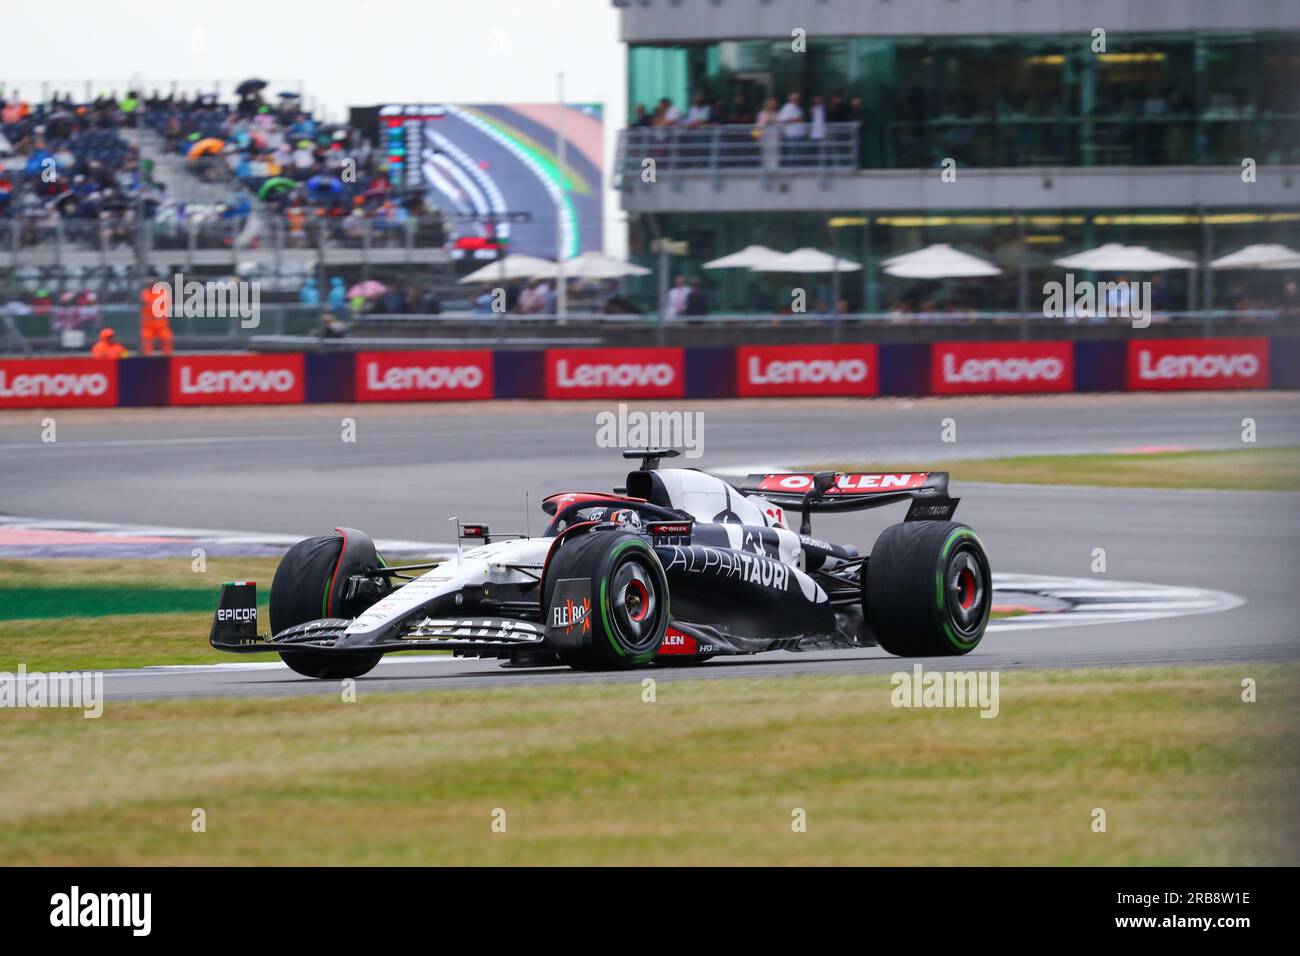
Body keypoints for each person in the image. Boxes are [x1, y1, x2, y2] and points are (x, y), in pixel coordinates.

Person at [139, 281, 173, 356]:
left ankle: (168, 357)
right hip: (148, 325)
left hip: (161, 325)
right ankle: (147, 357)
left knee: (167, 339)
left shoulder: (163, 293)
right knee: (146, 340)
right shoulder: (144, 293)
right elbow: (145, 303)